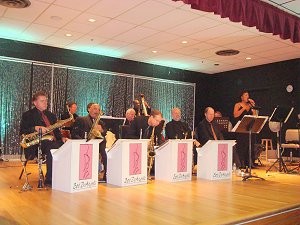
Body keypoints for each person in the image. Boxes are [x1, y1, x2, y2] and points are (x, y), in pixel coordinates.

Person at [20, 91, 67, 187]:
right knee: (52, 147)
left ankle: (64, 176)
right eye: (42, 101)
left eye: (46, 101)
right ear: (35, 102)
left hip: (53, 141)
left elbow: (56, 131)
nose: (46, 103)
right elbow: (22, 131)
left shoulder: (51, 115)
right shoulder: (27, 115)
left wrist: (62, 138)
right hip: (36, 143)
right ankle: (50, 179)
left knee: (67, 146)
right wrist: (35, 128)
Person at [71, 103, 108, 182]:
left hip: (98, 145)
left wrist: (101, 130)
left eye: (98, 109)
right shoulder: (81, 119)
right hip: (84, 144)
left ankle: (106, 175)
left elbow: (104, 133)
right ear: (88, 109)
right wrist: (83, 142)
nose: (97, 111)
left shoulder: (101, 122)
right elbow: (74, 134)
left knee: (105, 152)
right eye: (95, 108)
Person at [233, 90, 257, 168]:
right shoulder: (238, 105)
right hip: (241, 129)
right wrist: (244, 108)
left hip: (249, 129)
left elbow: (255, 116)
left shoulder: (250, 106)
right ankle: (241, 162)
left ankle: (250, 162)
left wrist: (253, 106)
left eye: (248, 95)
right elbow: (235, 115)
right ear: (242, 97)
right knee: (241, 146)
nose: (247, 97)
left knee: (250, 145)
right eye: (246, 95)